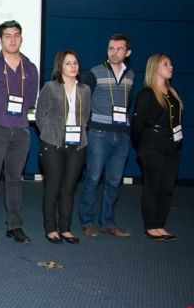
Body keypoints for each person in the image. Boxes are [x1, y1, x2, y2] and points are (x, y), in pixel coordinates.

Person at [0, 20, 39, 244]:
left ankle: (15, 226)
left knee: (15, 180)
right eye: (8, 36)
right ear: (0, 40)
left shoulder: (30, 68)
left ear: (21, 38)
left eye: (16, 35)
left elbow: (30, 101)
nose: (13, 39)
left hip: (21, 131)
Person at [78, 34, 135, 238]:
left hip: (122, 134)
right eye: (111, 48)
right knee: (93, 178)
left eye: (119, 49)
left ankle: (108, 222)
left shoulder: (131, 75)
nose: (114, 52)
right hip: (99, 133)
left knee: (114, 181)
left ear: (127, 52)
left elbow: (128, 103)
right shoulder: (95, 72)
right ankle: (87, 221)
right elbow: (82, 100)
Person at [35, 50, 91, 244]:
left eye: (75, 62)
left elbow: (85, 116)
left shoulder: (85, 89)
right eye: (68, 63)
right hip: (52, 143)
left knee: (69, 188)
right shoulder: (50, 87)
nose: (73, 66)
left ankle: (66, 229)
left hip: (77, 145)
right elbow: (40, 115)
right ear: (60, 66)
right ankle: (51, 228)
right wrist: (50, 133)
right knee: (53, 187)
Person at [131, 54, 183, 241]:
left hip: (172, 147)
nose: (170, 67)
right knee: (152, 187)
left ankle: (161, 224)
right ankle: (151, 226)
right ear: (155, 68)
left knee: (167, 187)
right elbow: (137, 126)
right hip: (152, 146)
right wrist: (142, 147)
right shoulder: (146, 94)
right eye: (165, 64)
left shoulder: (173, 94)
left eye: (170, 63)